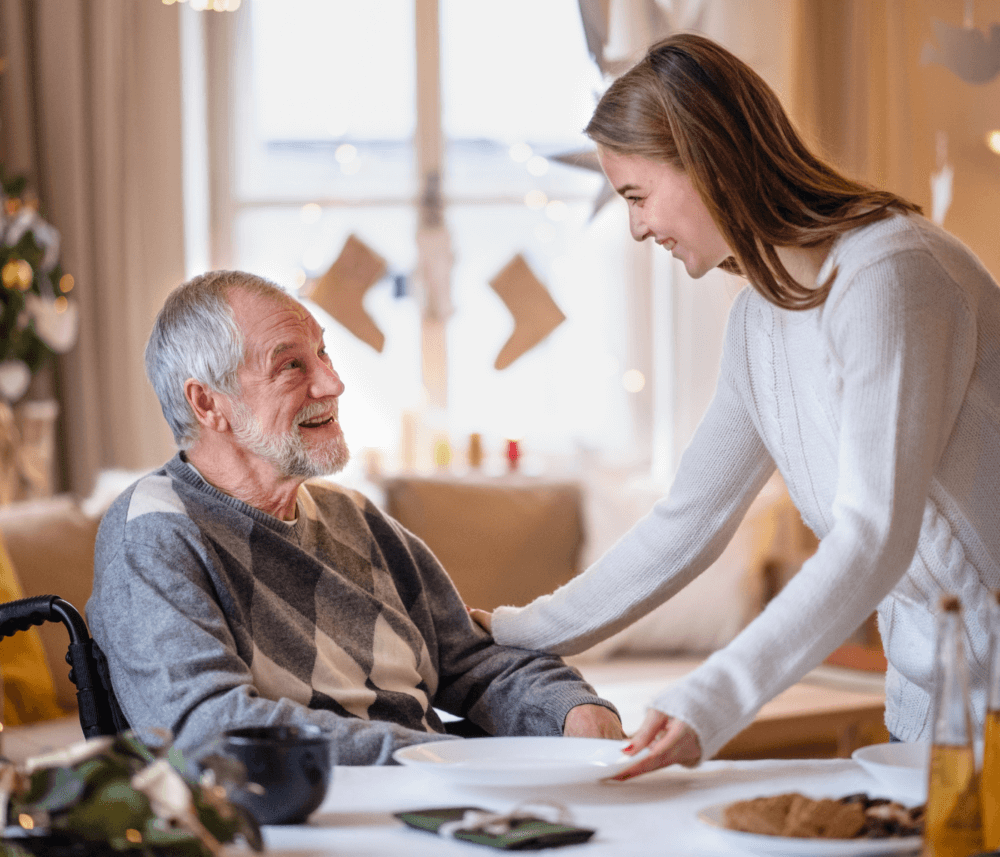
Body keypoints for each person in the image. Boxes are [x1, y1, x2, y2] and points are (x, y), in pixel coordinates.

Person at [471, 32, 1000, 779]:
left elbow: (874, 534)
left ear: (707, 162)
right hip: (930, 694)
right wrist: (519, 630)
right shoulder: (760, 322)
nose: (636, 225)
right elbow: (687, 521)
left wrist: (710, 697)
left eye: (637, 195)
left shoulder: (893, 275)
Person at [87, 270, 623, 763]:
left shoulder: (353, 515)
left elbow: (470, 658)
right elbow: (210, 731)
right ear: (208, 404)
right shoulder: (154, 531)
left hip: (429, 796)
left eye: (323, 353)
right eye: (291, 364)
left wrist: (572, 709)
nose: (331, 384)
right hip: (308, 820)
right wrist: (434, 758)